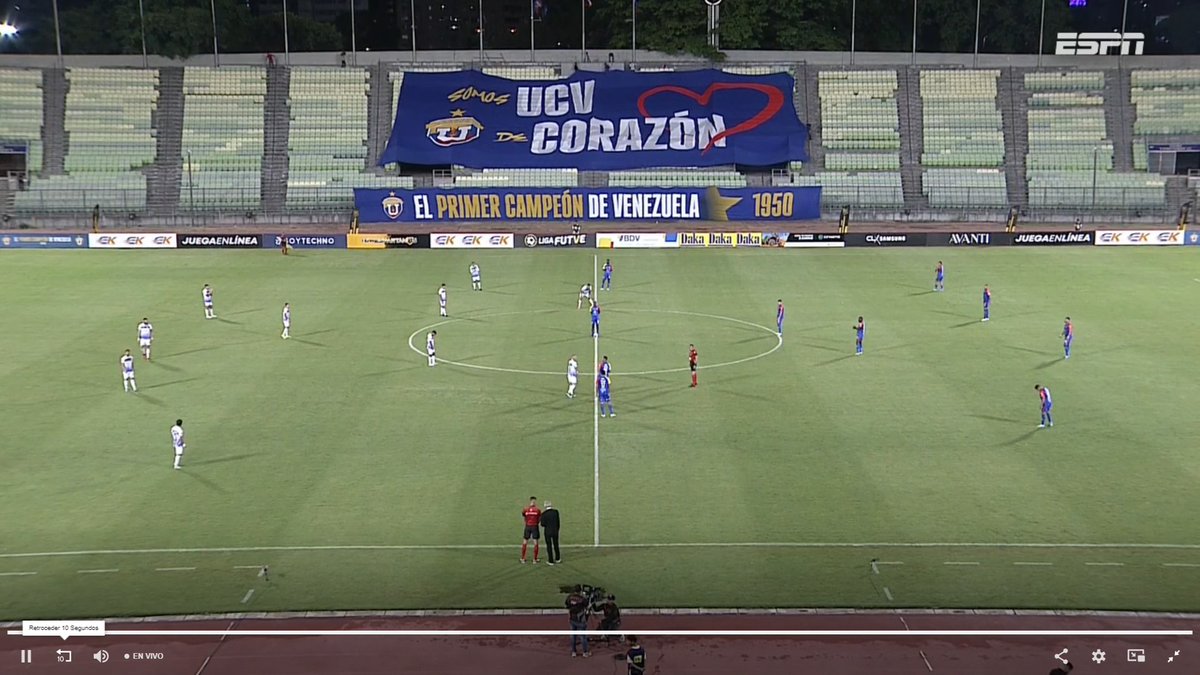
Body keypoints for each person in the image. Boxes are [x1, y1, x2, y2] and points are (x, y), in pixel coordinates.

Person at [566, 589, 590, 657]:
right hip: (580, 620)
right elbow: (587, 604)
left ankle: (574, 652)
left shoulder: (570, 597)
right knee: (582, 636)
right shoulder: (581, 599)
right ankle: (585, 652)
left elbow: (567, 605)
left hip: (572, 619)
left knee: (573, 636)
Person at [520, 497, 541, 564]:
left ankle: (523, 558)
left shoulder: (526, 509)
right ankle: (534, 559)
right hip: (534, 527)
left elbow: (523, 515)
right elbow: (539, 518)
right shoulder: (537, 510)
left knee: (525, 541)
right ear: (534, 502)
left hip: (527, 526)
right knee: (535, 542)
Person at [540, 500, 561, 565]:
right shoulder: (556, 512)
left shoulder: (544, 514)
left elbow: (542, 524)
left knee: (549, 546)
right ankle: (558, 558)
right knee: (556, 545)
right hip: (555, 531)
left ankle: (551, 560)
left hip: (548, 531)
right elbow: (558, 522)